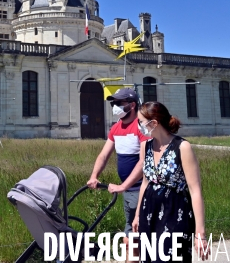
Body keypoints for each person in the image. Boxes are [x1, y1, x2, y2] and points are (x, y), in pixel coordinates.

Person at [132, 101, 209, 262]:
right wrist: (137, 214)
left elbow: (195, 191)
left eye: (141, 122)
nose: (138, 126)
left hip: (175, 212)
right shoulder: (145, 146)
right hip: (149, 213)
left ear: (154, 123)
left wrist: (200, 234)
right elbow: (145, 183)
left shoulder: (182, 147)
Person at [87, 88, 149, 263]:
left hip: (142, 190)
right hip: (129, 192)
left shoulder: (141, 127)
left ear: (132, 105)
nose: (115, 107)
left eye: (119, 103)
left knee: (134, 238)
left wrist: (123, 186)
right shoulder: (116, 128)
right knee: (131, 237)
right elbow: (104, 155)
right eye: (114, 103)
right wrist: (94, 176)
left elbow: (143, 162)